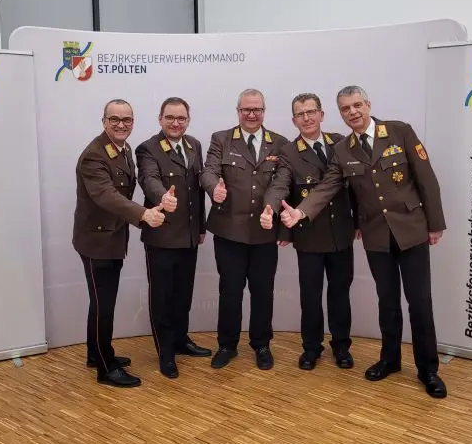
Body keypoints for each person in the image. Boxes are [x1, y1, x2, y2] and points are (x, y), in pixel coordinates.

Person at [280, 85, 448, 398]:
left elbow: (426, 178)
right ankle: (390, 360)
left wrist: (435, 224)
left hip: (411, 231)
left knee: (420, 302)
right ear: (340, 114)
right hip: (376, 236)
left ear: (368, 105)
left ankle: (428, 369)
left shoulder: (399, 131)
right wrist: (300, 213)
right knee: (387, 301)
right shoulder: (343, 149)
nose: (353, 112)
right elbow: (327, 187)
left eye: (357, 105)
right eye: (346, 108)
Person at [72, 99, 166, 388]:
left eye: (126, 119)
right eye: (114, 119)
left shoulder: (122, 150)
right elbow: (106, 195)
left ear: (133, 123)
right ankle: (105, 368)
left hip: (111, 237)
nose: (121, 124)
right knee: (104, 306)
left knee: (101, 303)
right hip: (96, 242)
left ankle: (96, 354)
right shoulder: (94, 156)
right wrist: (143, 214)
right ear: (104, 122)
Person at [261, 93, 357, 371]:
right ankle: (311, 348)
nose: (307, 118)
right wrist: (270, 208)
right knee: (310, 297)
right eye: (300, 114)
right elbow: (280, 185)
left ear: (321, 114)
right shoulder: (289, 152)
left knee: (340, 294)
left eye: (311, 112)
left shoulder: (341, 143)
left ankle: (341, 346)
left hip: (341, 233)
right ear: (294, 120)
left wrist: (360, 222)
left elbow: (356, 186)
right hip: (309, 235)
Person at [201, 88, 288, 370]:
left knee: (263, 292)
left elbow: (281, 182)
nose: (251, 114)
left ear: (264, 111)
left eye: (257, 109)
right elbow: (209, 171)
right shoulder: (221, 139)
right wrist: (214, 188)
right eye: (246, 109)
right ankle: (227, 345)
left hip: (264, 231)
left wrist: (271, 207)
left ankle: (261, 344)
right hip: (229, 232)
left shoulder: (280, 143)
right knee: (230, 291)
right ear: (238, 111)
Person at [135, 97, 212, 379]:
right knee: (162, 298)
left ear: (188, 120)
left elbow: (197, 191)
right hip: (162, 237)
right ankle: (165, 352)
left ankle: (181, 340)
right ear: (160, 119)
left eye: (181, 118)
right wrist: (162, 197)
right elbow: (149, 179)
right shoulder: (148, 148)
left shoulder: (194, 145)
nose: (176, 123)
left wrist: (201, 227)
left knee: (183, 295)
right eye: (170, 117)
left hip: (189, 237)